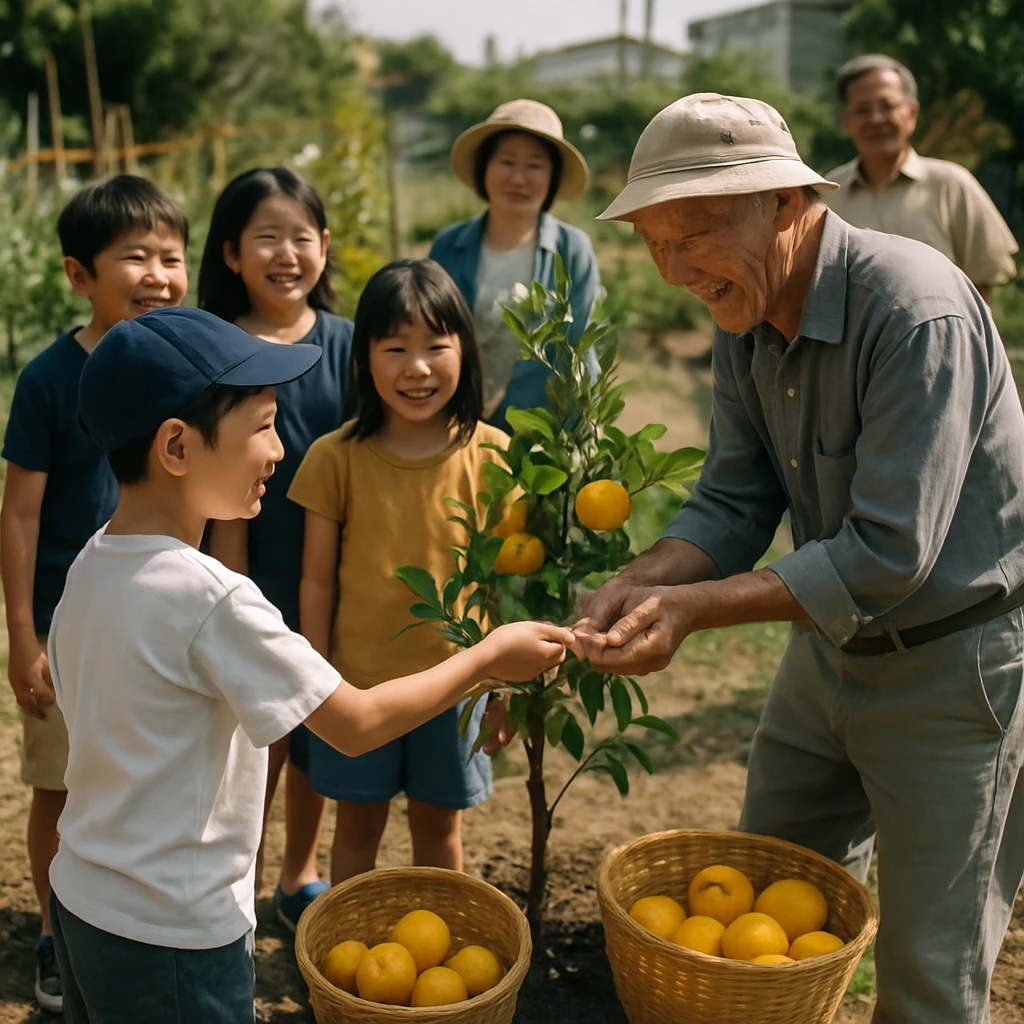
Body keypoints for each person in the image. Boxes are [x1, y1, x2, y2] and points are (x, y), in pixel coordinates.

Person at [574, 92, 1024, 1024]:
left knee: (927, 975)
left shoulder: (916, 311)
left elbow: (889, 553)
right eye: (656, 244)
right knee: (763, 921)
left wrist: (698, 611)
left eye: (693, 235)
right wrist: (646, 579)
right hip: (827, 653)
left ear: (784, 202)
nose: (675, 270)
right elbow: (735, 501)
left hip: (954, 671)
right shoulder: (744, 319)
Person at [47, 306, 571, 1023]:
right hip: (174, 935)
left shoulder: (92, 564)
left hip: (84, 898)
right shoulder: (213, 600)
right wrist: (487, 657)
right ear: (176, 446)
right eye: (262, 425)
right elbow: (354, 725)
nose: (278, 448)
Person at [0, 175, 188, 1013]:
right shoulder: (48, 380)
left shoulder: (184, 366)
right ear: (80, 275)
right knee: (62, 785)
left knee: (141, 777)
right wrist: (22, 638)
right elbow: (20, 513)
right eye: (134, 258)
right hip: (66, 629)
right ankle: (53, 930)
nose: (156, 275)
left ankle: (122, 921)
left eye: (170, 257)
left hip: (156, 627)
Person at [288, 259, 514, 885]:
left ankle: (442, 954)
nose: (417, 367)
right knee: (357, 828)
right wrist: (315, 675)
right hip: (358, 690)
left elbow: (503, 584)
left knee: (440, 829)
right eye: (395, 348)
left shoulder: (492, 457)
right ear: (363, 360)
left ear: (465, 353)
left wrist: (501, 689)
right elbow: (316, 579)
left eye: (436, 346)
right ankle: (346, 945)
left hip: (457, 687)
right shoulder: (335, 459)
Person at [198, 167, 353, 931]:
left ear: (325, 246)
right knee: (256, 749)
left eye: (302, 237)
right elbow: (222, 493)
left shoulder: (354, 346)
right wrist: (233, 595)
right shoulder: (217, 351)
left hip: (343, 579)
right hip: (255, 577)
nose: (287, 254)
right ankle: (245, 888)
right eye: (268, 237)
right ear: (231, 253)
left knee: (320, 731)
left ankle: (298, 876)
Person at [429, 99, 601, 430]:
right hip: (455, 425)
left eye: (535, 165)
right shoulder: (449, 246)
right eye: (506, 162)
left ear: (552, 176)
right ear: (485, 168)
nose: (518, 179)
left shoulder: (571, 250)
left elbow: (580, 348)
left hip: (540, 435)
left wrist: (583, 434)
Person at [825, 54, 1018, 302]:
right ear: (846, 122)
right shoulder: (829, 192)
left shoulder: (951, 184)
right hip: (854, 341)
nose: (876, 119)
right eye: (862, 110)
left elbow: (983, 279)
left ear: (912, 113)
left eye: (888, 106)